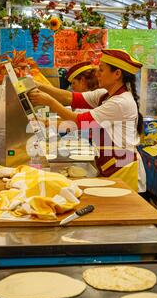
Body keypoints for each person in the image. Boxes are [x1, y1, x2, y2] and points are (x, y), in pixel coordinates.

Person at [29, 49, 146, 192]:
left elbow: (78, 121)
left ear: (117, 74)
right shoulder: (105, 95)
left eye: (101, 70)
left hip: (124, 168)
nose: (97, 74)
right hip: (110, 164)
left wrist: (50, 102)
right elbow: (69, 98)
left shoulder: (120, 102)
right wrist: (37, 85)